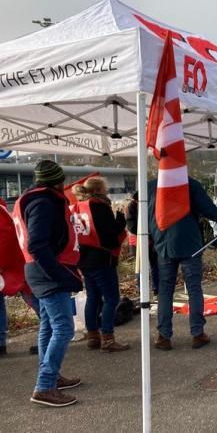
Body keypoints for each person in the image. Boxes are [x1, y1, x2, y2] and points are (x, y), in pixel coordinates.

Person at [13, 160, 82, 407]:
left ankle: (52, 377)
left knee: (49, 328)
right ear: (58, 181)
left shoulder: (33, 198)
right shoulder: (44, 203)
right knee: (64, 328)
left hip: (36, 269)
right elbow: (37, 244)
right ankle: (44, 386)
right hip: (48, 271)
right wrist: (62, 275)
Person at [149, 177, 217, 351]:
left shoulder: (152, 185)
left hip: (164, 244)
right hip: (190, 244)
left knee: (165, 291)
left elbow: (143, 216)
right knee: (194, 289)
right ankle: (197, 334)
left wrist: (153, 235)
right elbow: (210, 210)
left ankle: (164, 336)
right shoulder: (190, 184)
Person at [71, 177, 129, 352]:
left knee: (93, 297)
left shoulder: (77, 206)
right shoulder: (99, 206)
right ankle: (108, 338)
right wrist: (121, 220)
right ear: (100, 190)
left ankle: (93, 336)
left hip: (84, 258)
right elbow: (110, 236)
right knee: (111, 299)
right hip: (102, 259)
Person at [0, 197, 40, 356]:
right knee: (33, 298)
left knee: (34, 299)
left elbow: (5, 241)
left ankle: (50, 334)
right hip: (15, 265)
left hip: (13, 267)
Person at [125, 192, 160, 296]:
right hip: (137, 242)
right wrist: (146, 233)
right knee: (140, 267)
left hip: (151, 240)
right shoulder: (131, 206)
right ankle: (142, 292)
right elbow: (131, 226)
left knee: (155, 265)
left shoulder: (151, 204)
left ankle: (156, 289)